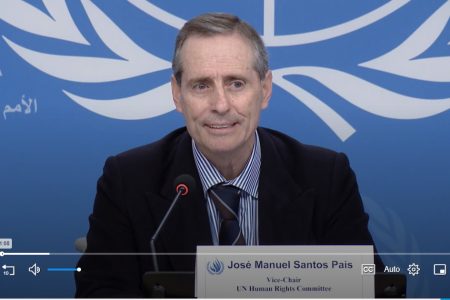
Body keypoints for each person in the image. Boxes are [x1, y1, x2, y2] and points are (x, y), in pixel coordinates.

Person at [75, 13, 380, 297]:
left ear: (265, 89)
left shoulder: (326, 177)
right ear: (177, 94)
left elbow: (368, 289)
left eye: (236, 83)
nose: (220, 104)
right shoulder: (127, 181)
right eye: (201, 85)